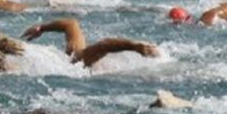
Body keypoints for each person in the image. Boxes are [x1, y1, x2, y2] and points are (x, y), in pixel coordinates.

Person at [20, 18, 160, 67]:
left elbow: (103, 45)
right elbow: (71, 23)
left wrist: (133, 46)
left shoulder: (75, 60)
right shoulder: (74, 53)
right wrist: (41, 28)